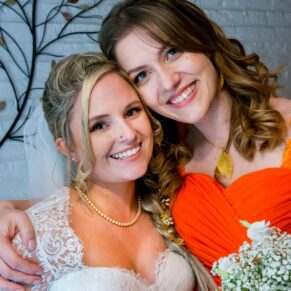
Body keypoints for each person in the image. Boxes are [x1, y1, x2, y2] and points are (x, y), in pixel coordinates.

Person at [0, 0, 291, 288]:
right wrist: (9, 209)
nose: (168, 82)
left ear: (203, 39)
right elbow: (93, 203)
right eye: (142, 75)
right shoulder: (163, 157)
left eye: (173, 52)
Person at [1, 52, 215, 290]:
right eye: (99, 126)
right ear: (67, 147)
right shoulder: (34, 237)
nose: (128, 134)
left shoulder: (169, 197)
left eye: (132, 111)